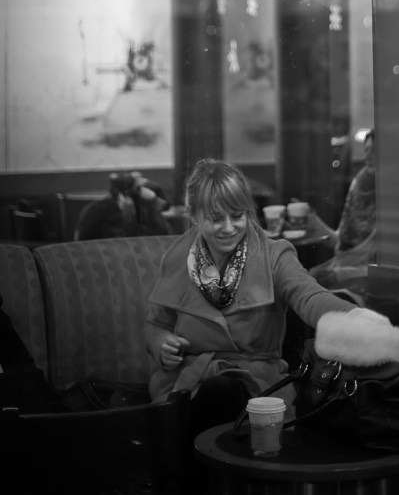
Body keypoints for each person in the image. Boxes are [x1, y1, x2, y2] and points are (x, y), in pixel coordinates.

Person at [143, 158, 360, 437]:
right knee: (201, 399)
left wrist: (354, 319)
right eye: (216, 218)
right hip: (186, 377)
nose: (229, 227)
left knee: (220, 392)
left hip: (255, 380)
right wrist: (161, 343)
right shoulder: (176, 258)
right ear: (194, 216)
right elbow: (155, 324)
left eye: (237, 215)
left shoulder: (273, 254)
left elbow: (309, 295)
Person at [308, 129, 376, 296]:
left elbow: (386, 267)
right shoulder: (358, 185)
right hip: (344, 269)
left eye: (375, 151)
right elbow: (342, 241)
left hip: (369, 284)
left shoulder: (394, 197)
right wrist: (311, 220)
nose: (368, 156)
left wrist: (339, 274)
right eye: (366, 150)